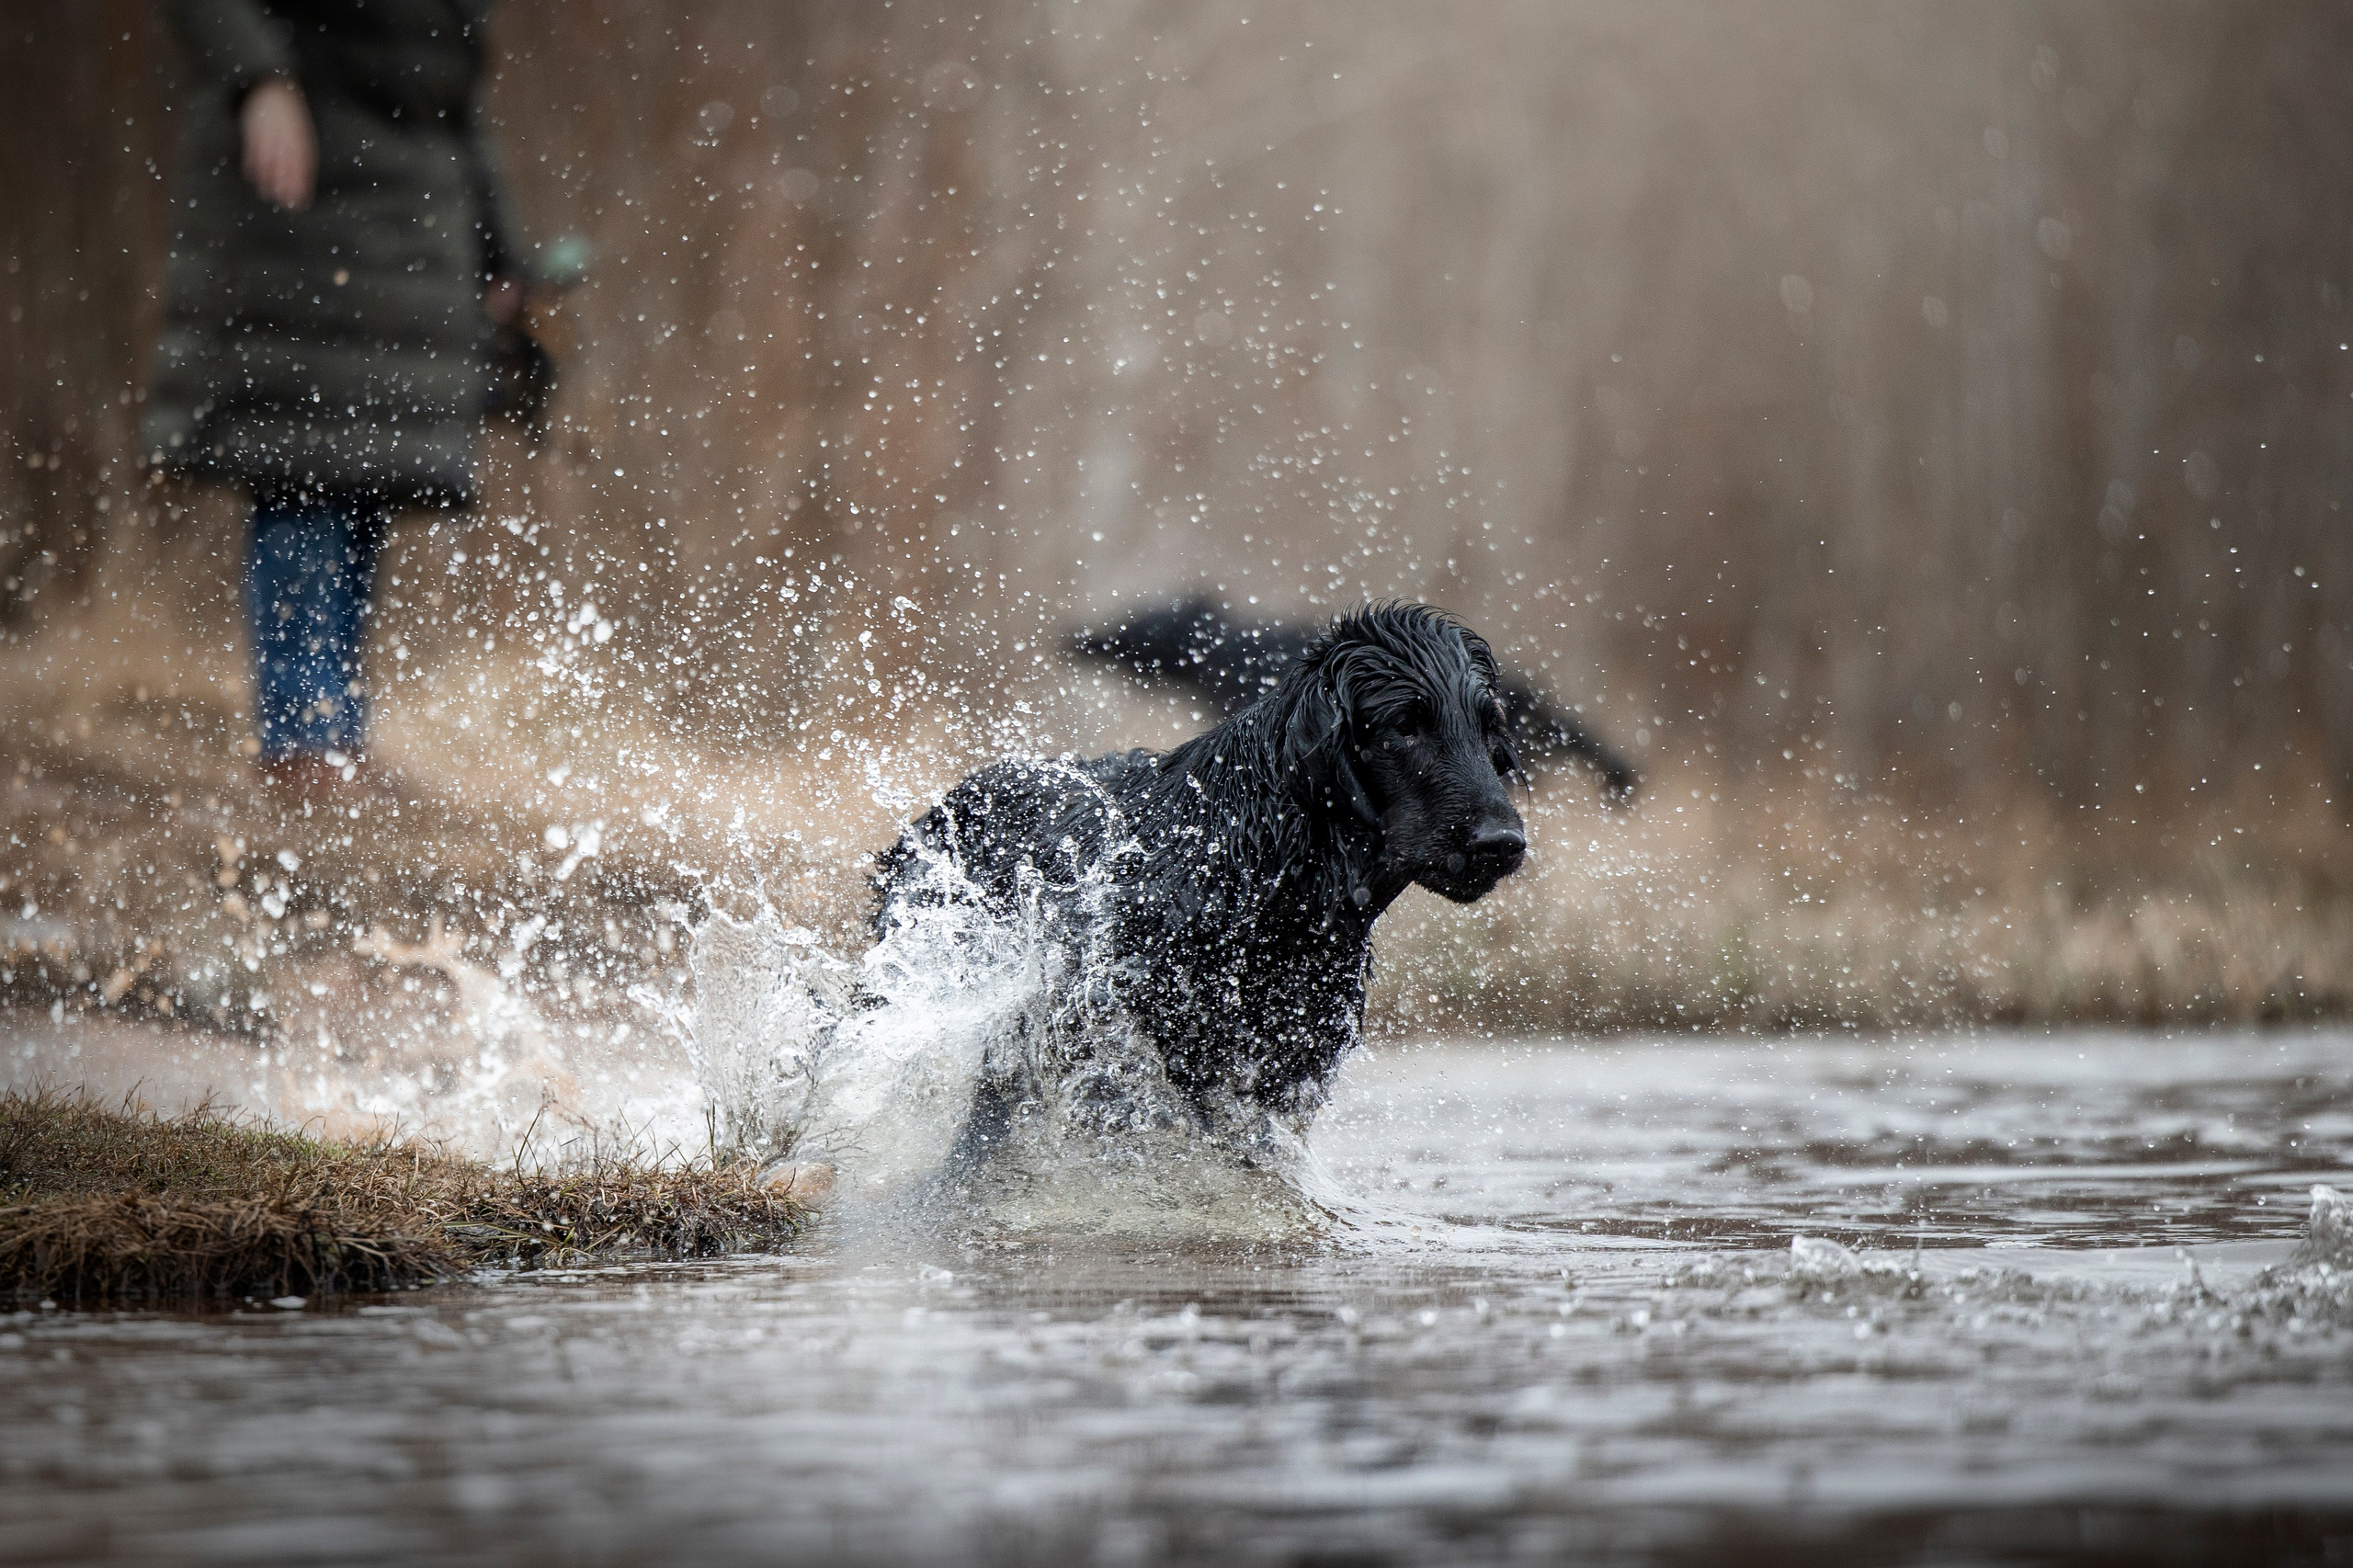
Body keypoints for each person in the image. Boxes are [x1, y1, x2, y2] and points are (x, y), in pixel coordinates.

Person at [142, 0, 532, 794]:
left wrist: (498, 245)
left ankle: (334, 731)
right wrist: (260, 79)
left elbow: (453, 98)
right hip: (301, 188)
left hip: (413, 209)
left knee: (363, 481)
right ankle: (301, 737)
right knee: (302, 469)